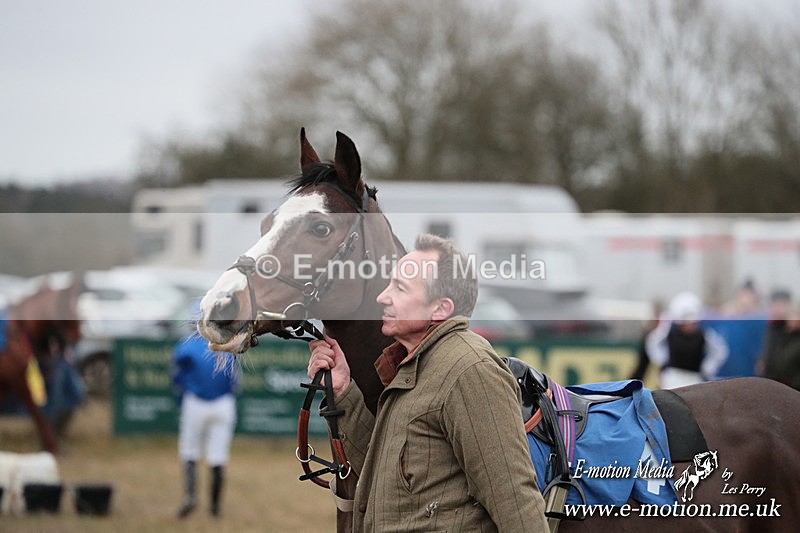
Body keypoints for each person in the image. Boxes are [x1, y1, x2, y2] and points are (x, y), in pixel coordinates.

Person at [308, 234, 547, 532]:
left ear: (440, 309)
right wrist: (344, 391)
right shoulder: (416, 364)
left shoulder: (470, 368)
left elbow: (514, 499)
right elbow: (385, 473)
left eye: (400, 288)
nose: (383, 297)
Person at [172, 334, 238, 518]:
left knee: (189, 450)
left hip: (195, 401)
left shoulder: (187, 344)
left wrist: (180, 398)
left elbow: (176, 375)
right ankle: (215, 507)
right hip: (224, 402)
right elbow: (235, 379)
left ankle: (190, 497)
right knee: (218, 455)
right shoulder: (229, 340)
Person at [646, 291, 729, 389]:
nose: (691, 324)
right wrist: (662, 360)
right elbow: (653, 342)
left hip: (695, 380)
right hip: (671, 378)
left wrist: (708, 368)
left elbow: (720, 350)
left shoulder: (704, 334)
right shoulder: (668, 332)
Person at [758, 289, 792, 380]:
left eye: (781, 305)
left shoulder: (792, 329)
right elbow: (768, 348)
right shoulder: (772, 326)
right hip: (770, 379)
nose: (777, 309)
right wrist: (763, 360)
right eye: (774, 304)